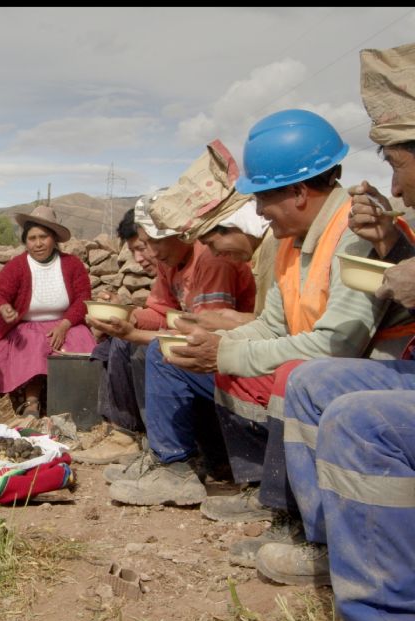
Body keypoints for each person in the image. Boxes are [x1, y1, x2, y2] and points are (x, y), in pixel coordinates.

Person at [107, 109, 409, 564]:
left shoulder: (355, 231)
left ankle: (306, 523)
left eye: (264, 198)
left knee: (293, 379)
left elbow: (337, 345)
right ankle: (262, 493)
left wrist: (225, 351)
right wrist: (212, 346)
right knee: (210, 363)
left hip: (366, 373)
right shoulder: (290, 240)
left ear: (300, 193)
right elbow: (273, 325)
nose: (260, 211)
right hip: (312, 366)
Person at [257, 43, 415, 621]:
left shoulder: (333, 231)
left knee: (357, 419)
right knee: (311, 383)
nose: (398, 188)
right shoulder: (295, 247)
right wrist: (395, 251)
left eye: (399, 164)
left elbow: (335, 336)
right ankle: (331, 547)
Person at [85, 188, 258, 463]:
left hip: (230, 347)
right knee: (117, 343)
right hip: (202, 336)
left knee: (153, 352)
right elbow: (160, 310)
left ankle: (174, 455)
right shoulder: (171, 261)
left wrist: (136, 332)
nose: (150, 253)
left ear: (179, 232)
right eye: (145, 244)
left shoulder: (211, 260)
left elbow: (207, 330)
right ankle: (126, 435)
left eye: (151, 243)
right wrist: (126, 317)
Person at [0, 205, 96, 418]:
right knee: (31, 342)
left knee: (82, 341)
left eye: (43, 237)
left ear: (54, 238)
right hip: (24, 325)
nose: (38, 243)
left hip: (65, 323)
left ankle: (76, 403)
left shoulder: (72, 264)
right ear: (25, 241)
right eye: (32, 238)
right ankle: (32, 402)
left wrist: (64, 325)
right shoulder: (17, 266)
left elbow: (84, 299)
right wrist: (3, 308)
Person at [82, 207, 157, 464]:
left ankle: (131, 432)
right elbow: (158, 313)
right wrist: (124, 312)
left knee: (126, 343)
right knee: (107, 345)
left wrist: (130, 320)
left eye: (143, 247)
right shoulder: (167, 275)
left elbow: (175, 317)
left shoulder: (193, 266)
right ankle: (119, 430)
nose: (139, 258)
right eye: (134, 250)